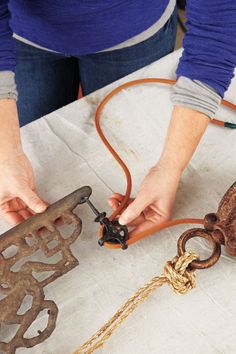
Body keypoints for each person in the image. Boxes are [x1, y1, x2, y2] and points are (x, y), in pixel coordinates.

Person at [0, 1, 235, 236]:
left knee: (132, 146)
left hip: (137, 31)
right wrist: (7, 157)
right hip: (22, 34)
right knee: (38, 151)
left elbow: (216, 29)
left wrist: (170, 167)